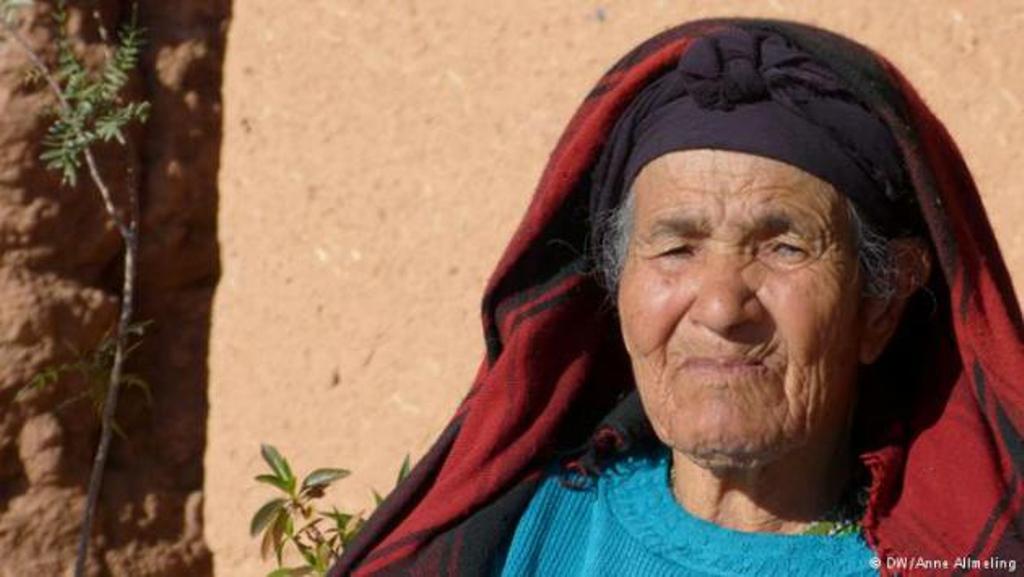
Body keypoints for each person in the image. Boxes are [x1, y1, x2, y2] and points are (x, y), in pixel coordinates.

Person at [330, 18, 1024, 577]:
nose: (722, 307)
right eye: (676, 247)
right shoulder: (518, 539)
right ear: (618, 284)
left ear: (882, 301)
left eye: (783, 247)